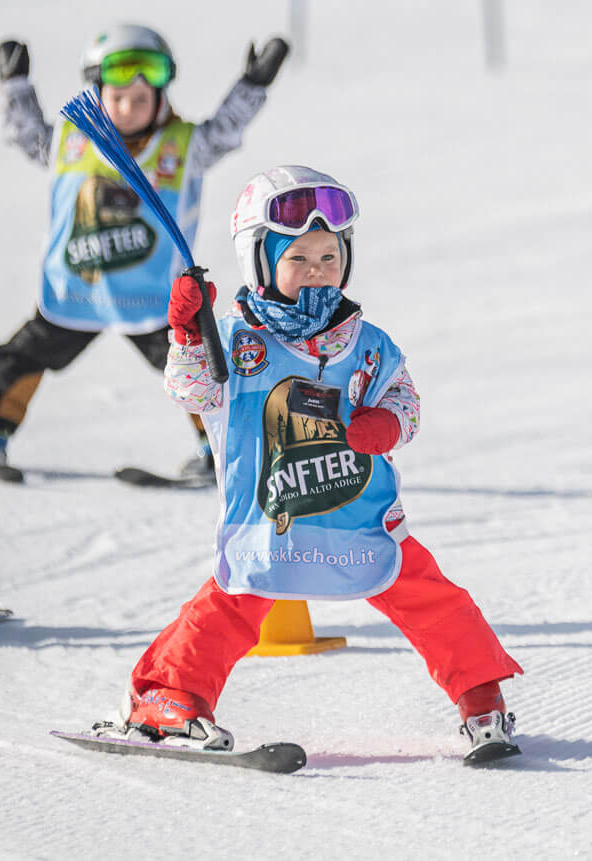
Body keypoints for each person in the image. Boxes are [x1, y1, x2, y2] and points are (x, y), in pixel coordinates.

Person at [112, 166, 523, 764]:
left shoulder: (368, 342)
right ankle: (169, 697)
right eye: (297, 257)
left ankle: (481, 699)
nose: (317, 270)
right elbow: (193, 392)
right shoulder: (233, 339)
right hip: (269, 520)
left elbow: (405, 402)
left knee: (436, 603)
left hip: (359, 516)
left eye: (329, 256)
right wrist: (185, 331)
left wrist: (387, 424)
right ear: (258, 261)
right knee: (226, 608)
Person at [0, 25, 285, 481]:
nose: (128, 109)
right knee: (15, 361)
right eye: (118, 99)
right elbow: (26, 131)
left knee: (201, 363)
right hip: (76, 291)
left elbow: (226, 130)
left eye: (140, 99)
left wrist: (253, 85)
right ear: (97, 93)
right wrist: (15, 86)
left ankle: (222, 447)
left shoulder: (184, 145)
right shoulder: (70, 141)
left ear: (160, 97)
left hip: (151, 296)